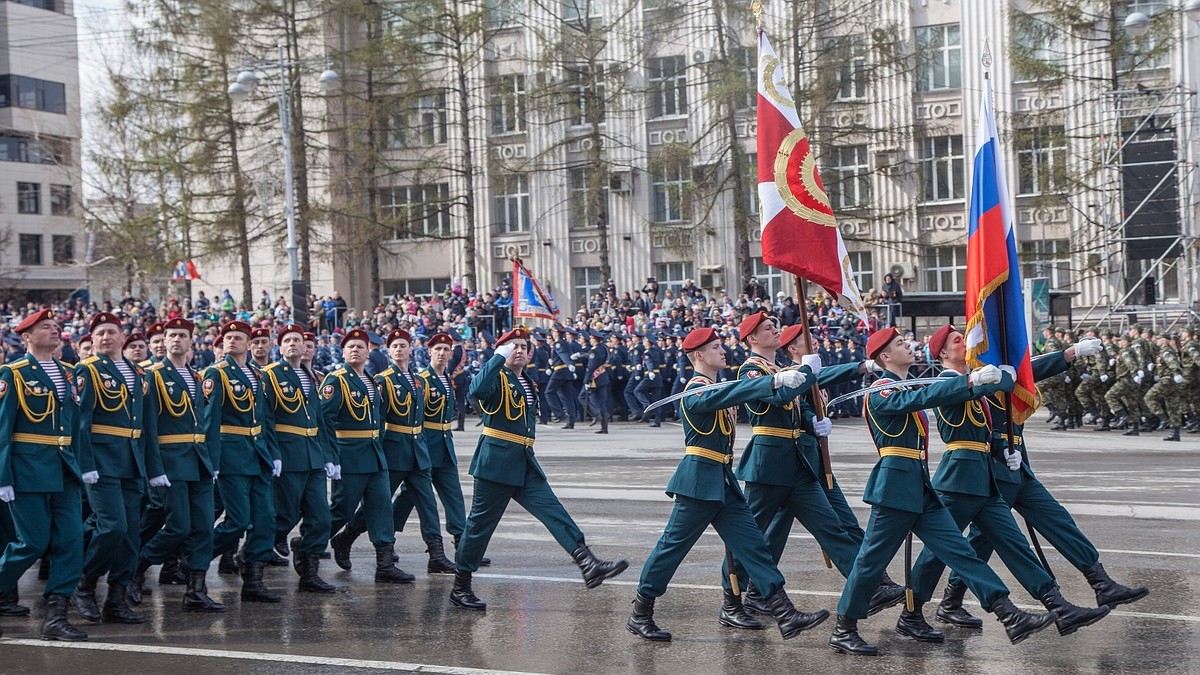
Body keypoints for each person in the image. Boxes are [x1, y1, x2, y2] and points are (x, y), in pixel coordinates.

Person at [829, 327, 1055, 656]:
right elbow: (918, 398)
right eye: (900, 344)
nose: (908, 345)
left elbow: (927, 395)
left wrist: (975, 383)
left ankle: (1008, 613)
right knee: (870, 562)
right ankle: (844, 627)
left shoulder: (909, 387)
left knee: (960, 553)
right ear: (885, 358)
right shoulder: (881, 390)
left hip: (920, 486)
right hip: (893, 489)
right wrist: (968, 383)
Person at [903, 325, 1110, 642]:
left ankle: (1060, 607)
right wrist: (981, 379)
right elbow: (959, 391)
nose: (966, 343)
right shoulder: (947, 381)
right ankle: (912, 613)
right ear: (943, 353)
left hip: (986, 479)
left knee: (1016, 546)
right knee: (939, 553)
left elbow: (1015, 376)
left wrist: (1003, 450)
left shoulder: (977, 379)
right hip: (957, 481)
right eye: (958, 340)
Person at [628, 326, 828, 643]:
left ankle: (784, 612)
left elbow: (732, 391)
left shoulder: (715, 386)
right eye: (715, 347)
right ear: (698, 356)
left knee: (754, 547)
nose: (723, 351)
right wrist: (774, 380)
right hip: (698, 482)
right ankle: (641, 612)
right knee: (672, 548)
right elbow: (730, 393)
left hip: (723, 480)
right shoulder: (695, 389)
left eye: (722, 345)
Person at [937, 334, 1149, 626]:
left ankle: (1102, 584)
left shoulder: (987, 365)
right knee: (983, 539)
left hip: (1017, 462)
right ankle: (948, 602)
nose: (970, 342)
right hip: (994, 464)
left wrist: (1070, 352)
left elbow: (1024, 368)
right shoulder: (971, 377)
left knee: (1057, 519)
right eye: (958, 340)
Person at [725, 315, 903, 621]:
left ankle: (869, 588)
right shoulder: (752, 370)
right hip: (767, 465)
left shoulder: (779, 369)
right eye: (767, 329)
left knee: (831, 527)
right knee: (751, 537)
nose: (774, 330)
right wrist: (808, 370)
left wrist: (811, 421)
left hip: (797, 465)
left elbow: (800, 403)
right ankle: (733, 600)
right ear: (751, 339)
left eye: (774, 326)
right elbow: (780, 395)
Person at [450, 327, 627, 611]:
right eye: (513, 346)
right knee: (479, 527)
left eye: (523, 346)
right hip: (495, 463)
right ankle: (461, 586)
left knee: (554, 511)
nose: (519, 350)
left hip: (523, 460)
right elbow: (476, 391)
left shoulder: (526, 382)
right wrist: (497, 357)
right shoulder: (497, 378)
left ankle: (587, 562)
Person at [336, 328, 455, 575]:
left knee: (427, 503)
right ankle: (346, 536)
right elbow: (376, 420)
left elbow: (420, 418)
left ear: (411, 350)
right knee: (377, 506)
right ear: (389, 352)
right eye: (395, 346)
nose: (400, 349)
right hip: (393, 451)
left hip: (418, 451)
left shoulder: (419, 381)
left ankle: (437, 554)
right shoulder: (382, 380)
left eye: (404, 345)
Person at [0, 309, 89, 640]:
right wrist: (3, 477)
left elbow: (74, 427)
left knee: (70, 541)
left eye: (57, 326)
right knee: (32, 543)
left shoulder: (68, 373)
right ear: (26, 337)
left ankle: (56, 615)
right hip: (27, 469)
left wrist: (82, 466)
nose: (55, 331)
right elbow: (3, 428)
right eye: (46, 327)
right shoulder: (13, 374)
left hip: (63, 468)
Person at [73, 312, 165, 625]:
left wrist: (154, 468)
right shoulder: (88, 370)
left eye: (112, 332)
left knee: (131, 535)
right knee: (112, 526)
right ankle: (85, 582)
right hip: (101, 461)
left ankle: (116, 597)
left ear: (122, 336)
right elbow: (82, 422)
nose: (106, 338)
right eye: (100, 333)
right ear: (93, 339)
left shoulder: (141, 375)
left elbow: (148, 427)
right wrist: (85, 464)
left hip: (132, 461)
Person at [136, 317, 224, 612]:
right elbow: (148, 426)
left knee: (203, 527)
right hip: (170, 460)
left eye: (182, 335)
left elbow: (205, 425)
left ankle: (196, 589)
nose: (176, 340)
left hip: (197, 460)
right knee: (177, 527)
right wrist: (154, 468)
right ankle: (137, 566)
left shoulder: (196, 377)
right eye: (171, 335)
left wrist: (211, 462)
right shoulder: (152, 375)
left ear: (190, 342)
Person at [324, 329, 414, 584]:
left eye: (360, 346)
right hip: (349, 455)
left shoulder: (372, 381)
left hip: (374, 454)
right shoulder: (336, 381)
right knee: (342, 509)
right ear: (343, 352)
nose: (355, 350)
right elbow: (326, 421)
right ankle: (309, 547)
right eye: (350, 346)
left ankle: (384, 565)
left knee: (381, 508)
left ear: (368, 352)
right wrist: (331, 457)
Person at [203, 320, 282, 603]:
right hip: (231, 454)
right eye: (228, 338)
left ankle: (253, 579)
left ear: (249, 344)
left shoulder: (258, 376)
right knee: (236, 520)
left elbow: (265, 419)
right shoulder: (216, 373)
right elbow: (209, 421)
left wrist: (273, 453)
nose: (232, 342)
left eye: (238, 338)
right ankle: (194, 562)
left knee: (264, 520)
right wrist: (211, 460)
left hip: (257, 453)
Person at [262, 323, 338, 593]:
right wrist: (273, 453)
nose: (294, 344)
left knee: (320, 517)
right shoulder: (269, 375)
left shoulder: (311, 376)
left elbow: (319, 420)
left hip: (312, 455)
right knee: (284, 515)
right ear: (279, 347)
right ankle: (251, 559)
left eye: (299, 340)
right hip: (288, 453)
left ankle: (309, 572)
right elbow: (265, 419)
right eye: (288, 340)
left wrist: (329, 456)